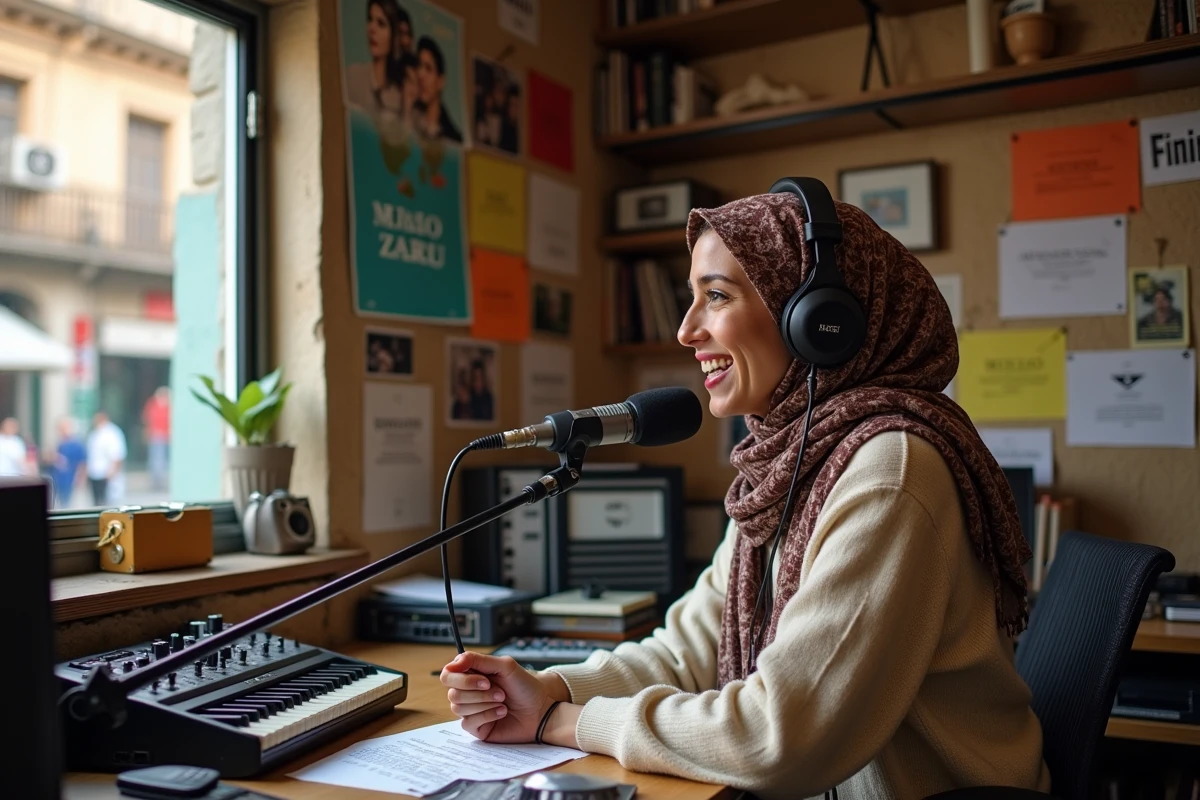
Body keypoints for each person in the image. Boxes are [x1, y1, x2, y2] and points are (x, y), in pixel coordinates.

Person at [440, 190, 1050, 798]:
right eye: (691, 299)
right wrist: (553, 689)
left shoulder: (890, 471)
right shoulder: (786, 468)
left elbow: (781, 735)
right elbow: (688, 655)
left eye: (717, 296)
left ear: (817, 323)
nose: (686, 331)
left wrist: (566, 725)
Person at [344, 0, 410, 120]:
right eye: (370, 19)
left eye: (381, 23)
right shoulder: (353, 76)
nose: (372, 29)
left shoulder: (398, 95)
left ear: (393, 35)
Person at [413, 35, 462, 143]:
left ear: (440, 82)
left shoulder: (453, 138)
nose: (421, 74)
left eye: (428, 68)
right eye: (419, 66)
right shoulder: (407, 119)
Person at [86, 411, 126, 506]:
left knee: (107, 504)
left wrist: (112, 472)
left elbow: (117, 455)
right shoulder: (95, 433)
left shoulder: (112, 433)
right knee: (96, 502)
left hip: (106, 474)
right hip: (94, 473)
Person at [48, 417, 87, 508]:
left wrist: (80, 478)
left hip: (70, 480)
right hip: (58, 480)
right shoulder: (59, 443)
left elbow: (82, 463)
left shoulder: (77, 444)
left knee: (68, 505)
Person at [142, 386, 170, 491]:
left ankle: (161, 481)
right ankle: (156, 481)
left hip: (166, 436)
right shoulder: (153, 405)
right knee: (156, 459)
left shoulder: (169, 406)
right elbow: (147, 418)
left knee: (163, 460)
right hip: (156, 435)